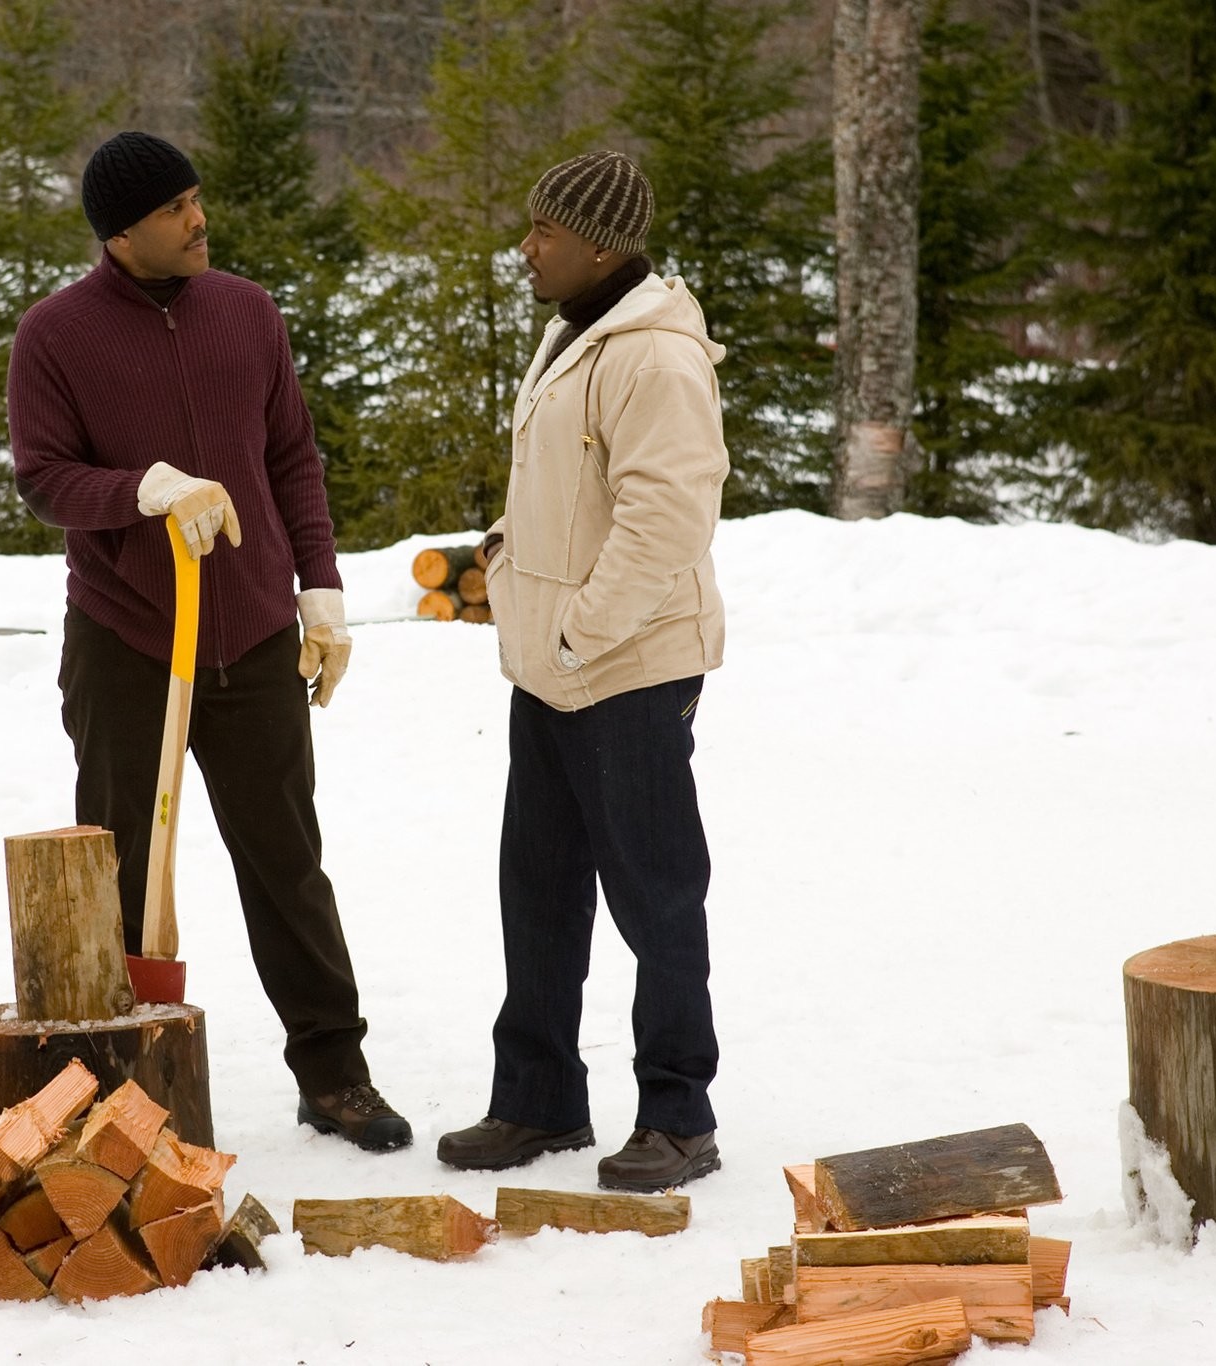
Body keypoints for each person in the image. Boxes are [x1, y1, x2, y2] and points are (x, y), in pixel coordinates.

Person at [7, 130, 410, 1152]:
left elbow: (291, 458)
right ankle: (107, 1084)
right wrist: (143, 488)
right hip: (126, 639)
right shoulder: (54, 336)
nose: (198, 219)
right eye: (174, 210)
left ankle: (334, 1072)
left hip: (256, 634)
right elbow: (44, 478)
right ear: (119, 233)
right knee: (118, 870)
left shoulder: (245, 311)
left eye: (195, 198)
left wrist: (317, 586)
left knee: (286, 861)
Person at [435, 151, 729, 1191]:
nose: (526, 245)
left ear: (598, 245)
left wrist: (578, 631)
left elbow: (665, 520)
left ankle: (678, 1114)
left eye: (543, 232)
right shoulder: (576, 331)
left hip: (625, 673)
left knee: (654, 898)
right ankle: (538, 1100)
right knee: (540, 892)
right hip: (550, 671)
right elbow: (581, 484)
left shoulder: (653, 357)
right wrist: (513, 553)